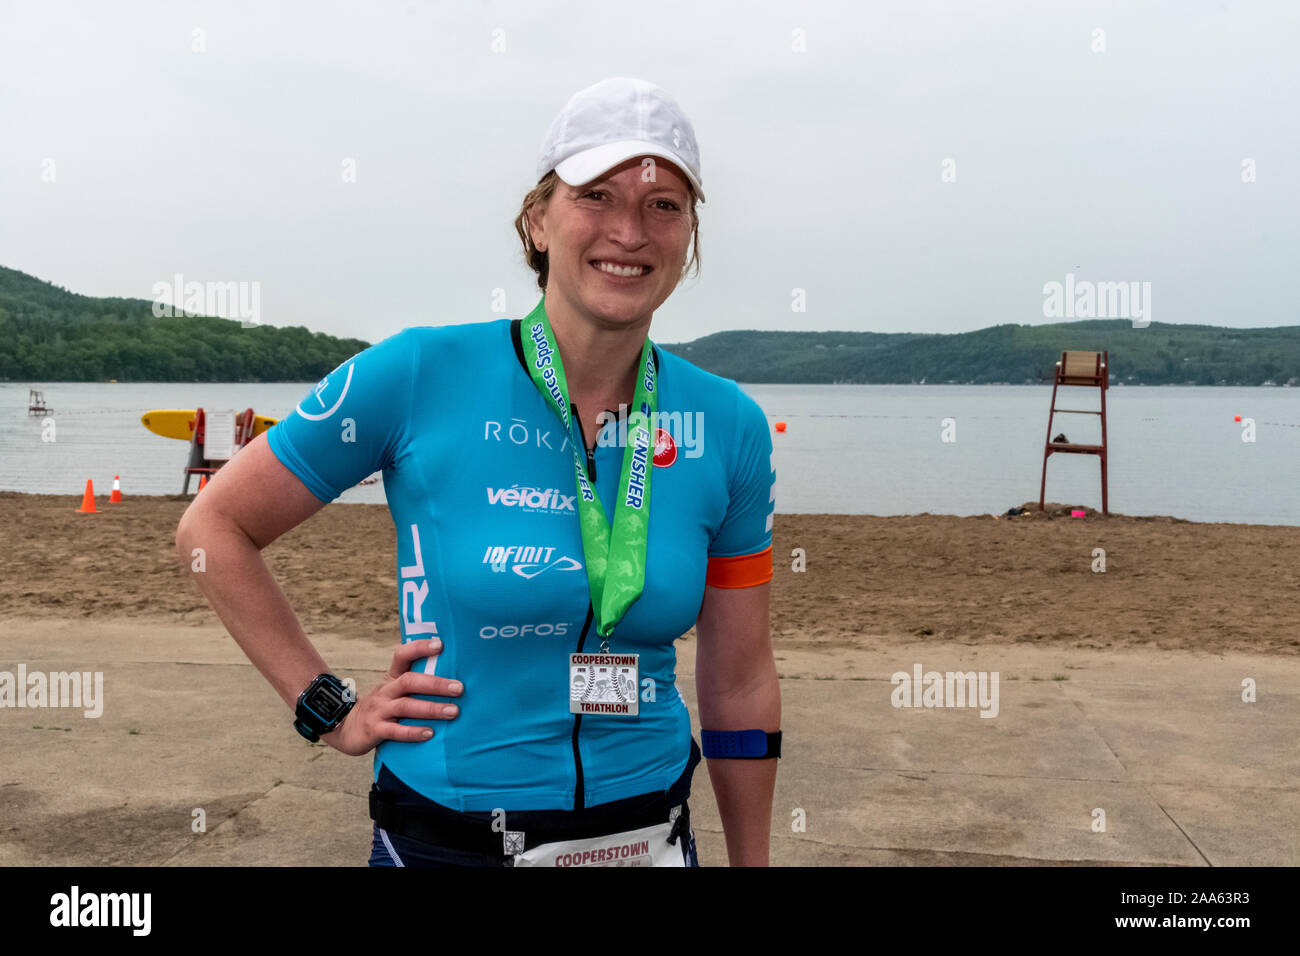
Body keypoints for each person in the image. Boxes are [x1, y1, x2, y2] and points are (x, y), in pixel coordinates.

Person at [175, 76, 781, 867]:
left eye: (664, 204)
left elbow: (737, 683)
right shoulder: (421, 372)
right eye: (595, 195)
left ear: (690, 231)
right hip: (450, 836)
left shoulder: (727, 423)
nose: (630, 231)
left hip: (648, 834)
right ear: (538, 219)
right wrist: (327, 708)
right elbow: (213, 526)